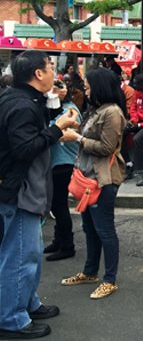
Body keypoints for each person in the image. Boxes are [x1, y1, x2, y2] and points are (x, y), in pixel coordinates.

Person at [0, 50, 79, 339]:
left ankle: (27, 303)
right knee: (19, 256)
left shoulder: (20, 98)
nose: (54, 73)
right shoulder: (21, 105)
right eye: (50, 67)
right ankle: (11, 318)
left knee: (29, 253)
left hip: (25, 189)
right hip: (20, 190)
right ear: (38, 74)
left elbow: (31, 131)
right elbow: (24, 148)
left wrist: (54, 105)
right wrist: (57, 129)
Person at [60, 67, 127, 300]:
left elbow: (107, 147)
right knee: (89, 227)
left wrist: (77, 137)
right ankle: (90, 272)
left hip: (103, 179)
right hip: (87, 177)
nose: (86, 92)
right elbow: (92, 135)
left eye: (88, 87)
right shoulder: (97, 110)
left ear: (99, 87)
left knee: (104, 229)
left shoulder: (113, 112)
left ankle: (110, 280)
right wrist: (76, 128)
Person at [44, 80, 82, 261]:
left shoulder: (71, 110)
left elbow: (65, 133)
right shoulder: (52, 108)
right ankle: (58, 240)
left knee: (59, 205)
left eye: (58, 89)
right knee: (56, 204)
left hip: (64, 163)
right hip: (54, 162)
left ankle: (68, 245)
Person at [124, 73, 143, 186]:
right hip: (139, 122)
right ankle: (129, 164)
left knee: (138, 139)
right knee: (120, 132)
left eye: (136, 84)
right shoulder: (137, 92)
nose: (134, 86)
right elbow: (133, 108)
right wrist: (134, 120)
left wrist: (140, 126)